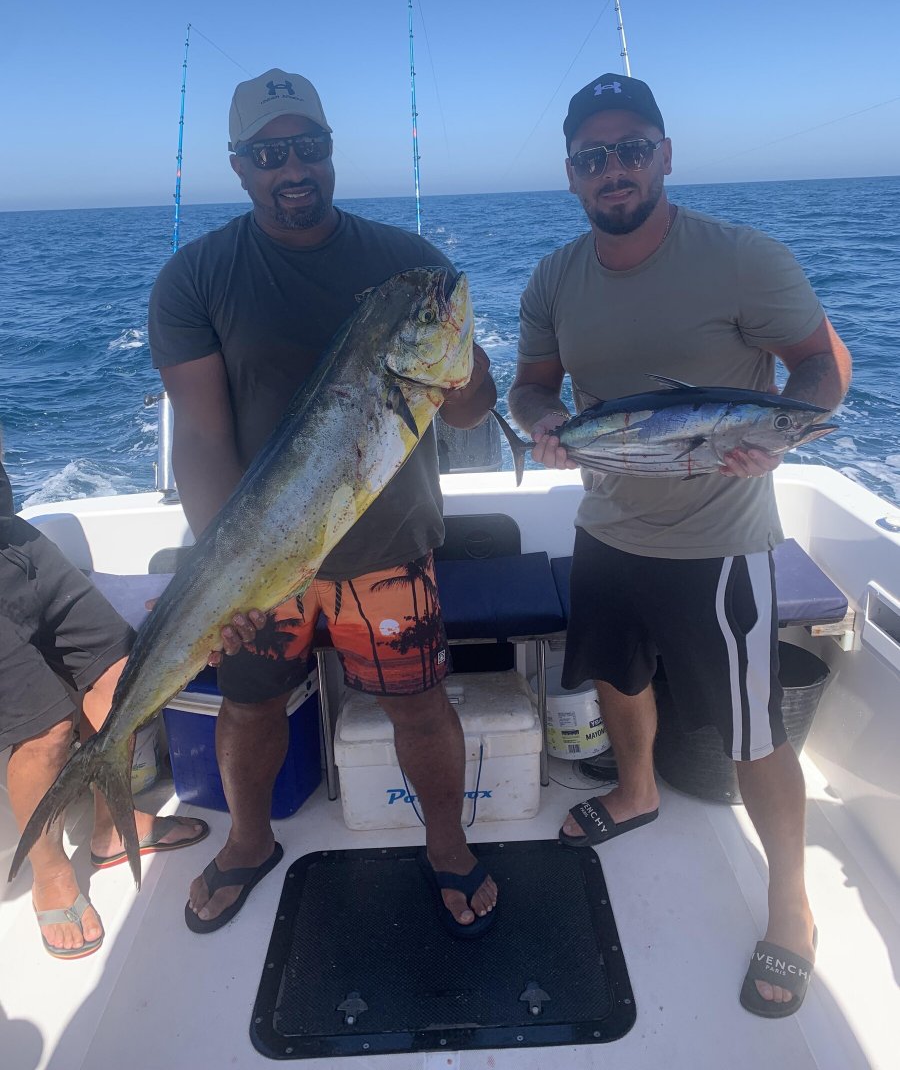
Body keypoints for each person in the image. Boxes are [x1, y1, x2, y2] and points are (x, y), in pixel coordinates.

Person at [508, 73, 852, 1018]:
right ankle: (636, 792)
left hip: (721, 544)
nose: (612, 168)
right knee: (618, 678)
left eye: (631, 148)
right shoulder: (554, 278)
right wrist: (541, 422)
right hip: (607, 527)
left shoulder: (742, 258)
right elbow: (533, 386)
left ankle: (791, 907)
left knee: (753, 729)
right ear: (571, 174)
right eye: (592, 156)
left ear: (664, 154)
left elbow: (822, 366)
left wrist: (779, 436)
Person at [148, 69, 499, 937]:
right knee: (250, 706)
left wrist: (465, 372)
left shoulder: (409, 266)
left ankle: (448, 844)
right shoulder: (195, 277)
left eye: (308, 146)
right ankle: (249, 841)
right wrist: (226, 576)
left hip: (389, 547)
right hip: (256, 561)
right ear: (239, 165)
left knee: (420, 704)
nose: (293, 167)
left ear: (331, 149)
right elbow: (201, 438)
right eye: (270, 154)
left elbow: (469, 410)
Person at [0, 451, 208, 959]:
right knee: (46, 728)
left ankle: (112, 827)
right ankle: (50, 873)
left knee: (122, 675)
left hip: (15, 541)